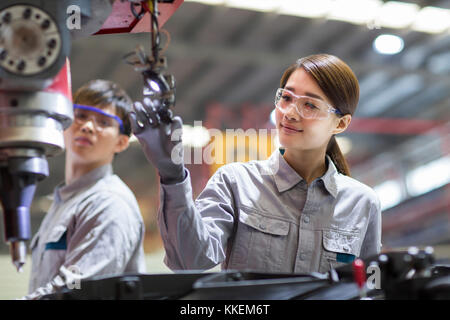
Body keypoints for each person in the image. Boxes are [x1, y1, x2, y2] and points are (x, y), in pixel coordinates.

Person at [130, 54, 381, 273]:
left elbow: (372, 285)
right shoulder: (236, 183)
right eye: (286, 98)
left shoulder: (363, 203)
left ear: (341, 123)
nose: (290, 112)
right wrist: (172, 175)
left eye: (310, 105)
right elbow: (189, 262)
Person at [25, 80, 146, 299]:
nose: (88, 126)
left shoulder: (109, 204)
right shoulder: (65, 202)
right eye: (81, 115)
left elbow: (76, 290)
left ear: (121, 142)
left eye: (103, 122)